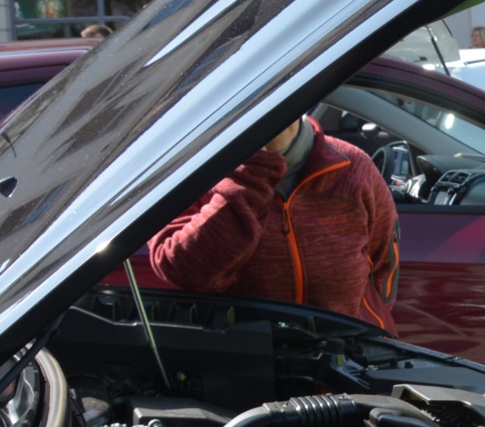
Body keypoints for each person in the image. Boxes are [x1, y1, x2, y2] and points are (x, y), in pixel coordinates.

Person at [148, 114, 400, 332]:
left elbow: (383, 270)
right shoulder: (191, 171)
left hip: (343, 367)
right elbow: (185, 270)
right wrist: (249, 176)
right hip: (247, 371)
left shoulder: (353, 166)